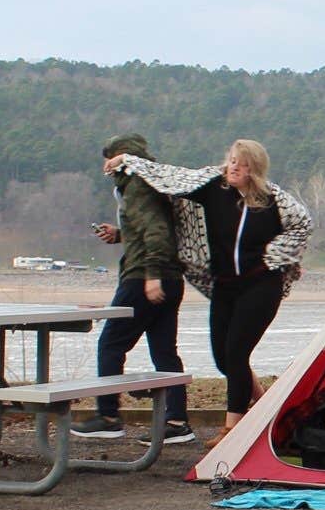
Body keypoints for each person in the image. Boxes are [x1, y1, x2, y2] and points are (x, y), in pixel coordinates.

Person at [110, 138, 313, 438]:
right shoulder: (213, 188)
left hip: (261, 284)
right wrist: (129, 160)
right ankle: (264, 406)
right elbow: (171, 176)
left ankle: (232, 429)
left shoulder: (274, 200)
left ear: (254, 170)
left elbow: (303, 224)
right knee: (222, 357)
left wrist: (278, 256)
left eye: (242, 165)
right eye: (232, 161)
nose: (234, 168)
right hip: (225, 286)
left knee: (236, 352)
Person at [70, 132, 195, 445]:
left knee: (111, 343)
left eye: (109, 159)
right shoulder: (155, 182)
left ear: (121, 158)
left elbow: (156, 232)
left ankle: (109, 416)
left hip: (143, 277)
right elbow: (154, 227)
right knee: (165, 353)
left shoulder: (137, 185)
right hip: (172, 277)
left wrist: (151, 275)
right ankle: (177, 421)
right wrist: (121, 233)